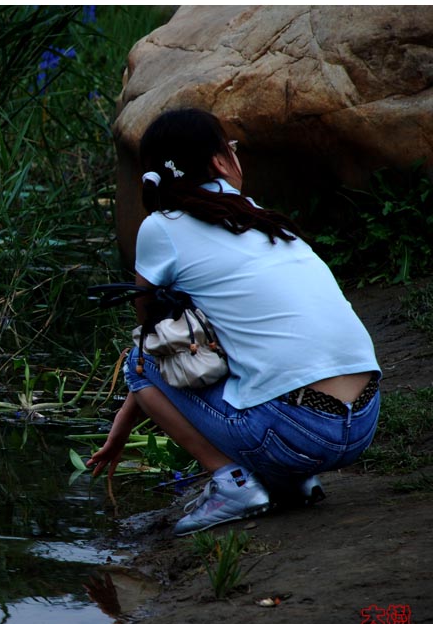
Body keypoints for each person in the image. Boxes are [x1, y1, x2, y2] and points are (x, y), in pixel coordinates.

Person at [88, 108, 381, 536]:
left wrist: (120, 428)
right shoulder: (256, 215)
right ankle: (290, 481)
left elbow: (149, 348)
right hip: (365, 418)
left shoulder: (160, 227)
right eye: (233, 149)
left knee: (145, 355)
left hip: (298, 434)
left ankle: (233, 483)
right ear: (220, 162)